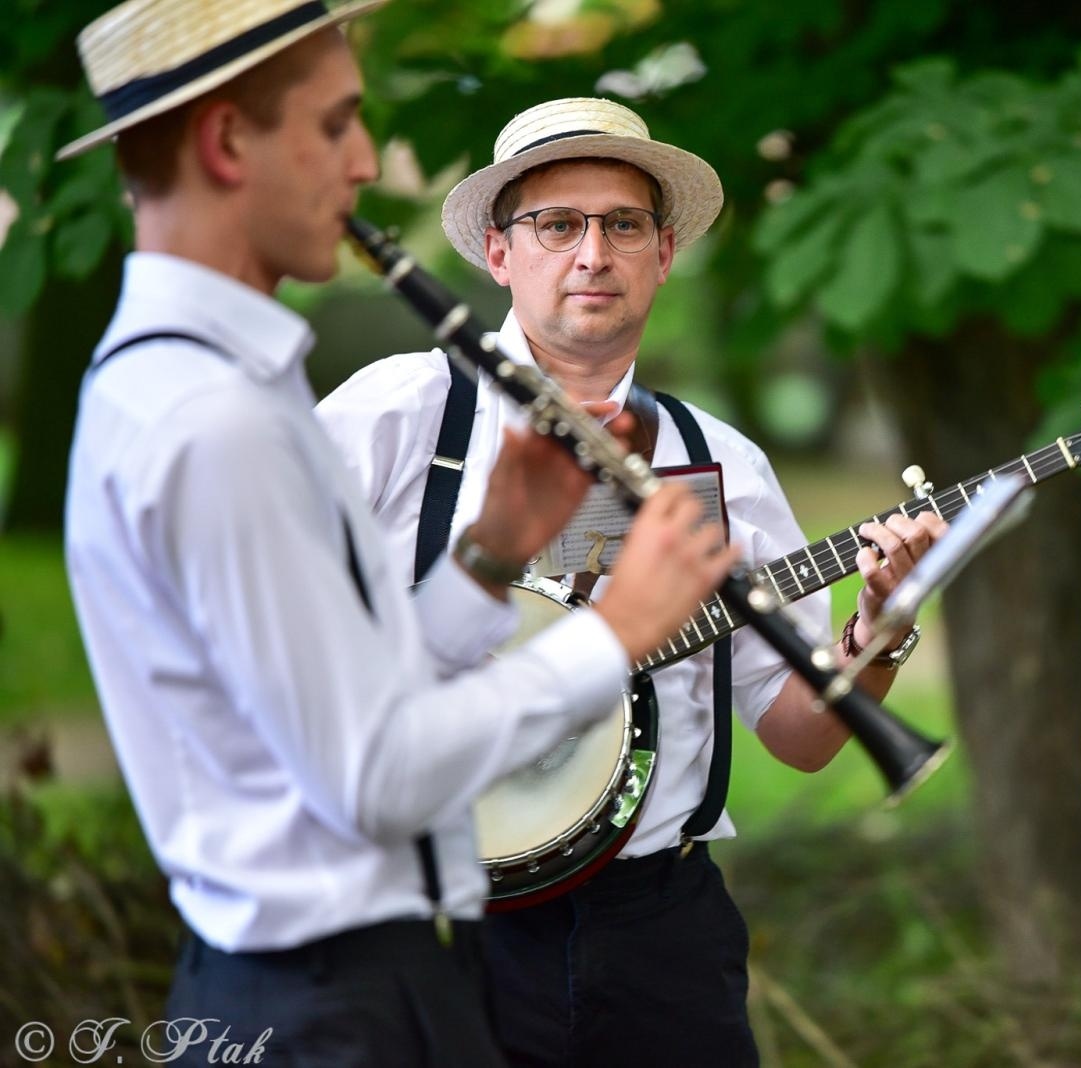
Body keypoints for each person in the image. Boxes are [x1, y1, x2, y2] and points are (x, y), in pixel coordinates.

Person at [60, 4, 734, 1065]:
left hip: (363, 986)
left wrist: (486, 560)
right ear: (225, 142)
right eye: (334, 127)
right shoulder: (214, 421)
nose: (367, 163)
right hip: (324, 1007)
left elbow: (344, 705)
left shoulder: (214, 384)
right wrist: (615, 637)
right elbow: (375, 774)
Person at [316, 96, 946, 1065]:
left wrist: (884, 624)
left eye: (622, 226)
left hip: (662, 940)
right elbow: (288, 655)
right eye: (556, 224)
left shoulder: (720, 463)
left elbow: (799, 735)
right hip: (445, 923)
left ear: (664, 252)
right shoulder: (395, 418)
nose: (591, 254)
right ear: (499, 253)